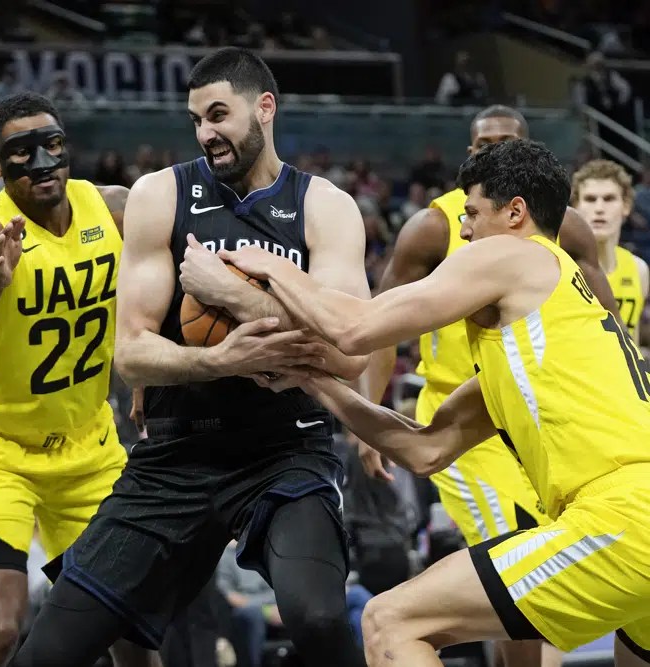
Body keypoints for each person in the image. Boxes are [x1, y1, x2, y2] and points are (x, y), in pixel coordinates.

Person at [8, 46, 369, 667]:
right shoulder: (161, 195)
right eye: (197, 120)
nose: (206, 133)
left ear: (264, 108)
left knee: (317, 617)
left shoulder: (324, 206)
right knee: (45, 652)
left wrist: (233, 295)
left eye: (219, 115)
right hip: (175, 452)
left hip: (283, 447)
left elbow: (350, 350)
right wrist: (220, 360)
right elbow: (132, 354)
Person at [226, 138, 650, 666]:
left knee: (390, 621)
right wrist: (314, 380)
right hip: (634, 517)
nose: (464, 229)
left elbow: (355, 328)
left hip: (623, 516)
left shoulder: (515, 254)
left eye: (471, 213)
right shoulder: (545, 334)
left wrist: (268, 263)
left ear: (515, 213)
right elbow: (426, 449)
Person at [355, 104, 617, 667]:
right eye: (479, 144)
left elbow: (607, 317)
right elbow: (375, 325)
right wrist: (368, 411)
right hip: (465, 420)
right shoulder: (435, 224)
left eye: (500, 143)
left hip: (538, 420)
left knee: (536, 594)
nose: (485, 152)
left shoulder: (560, 228)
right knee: (508, 576)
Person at [0, 91, 155, 667]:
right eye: (20, 152)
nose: (40, 163)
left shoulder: (114, 208)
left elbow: (168, 298)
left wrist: (157, 381)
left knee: (133, 633)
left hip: (90, 451)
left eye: (51, 145)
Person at [571, 158, 649, 341]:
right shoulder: (561, 267)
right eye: (590, 199)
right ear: (575, 207)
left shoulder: (639, 269)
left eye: (609, 199)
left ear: (627, 206)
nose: (599, 208)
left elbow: (633, 340)